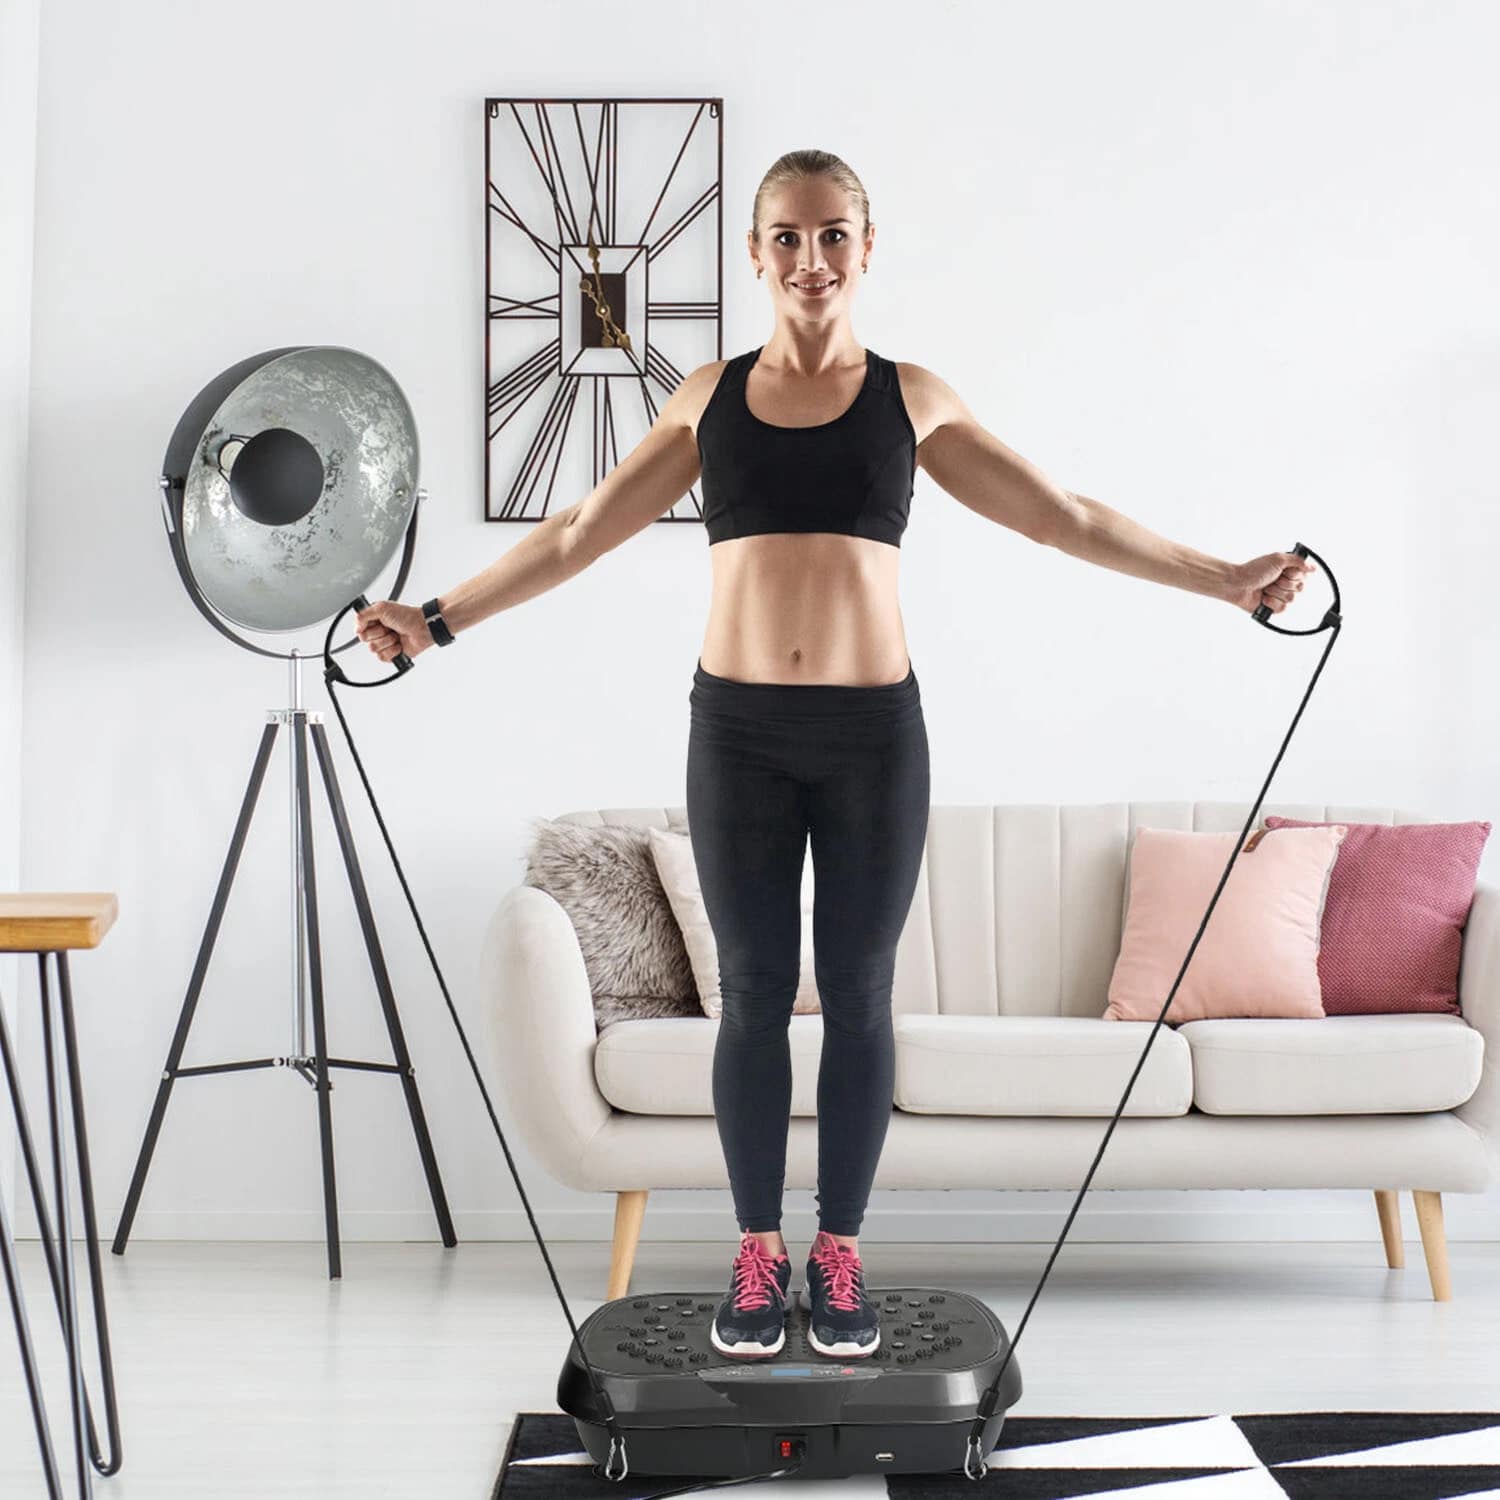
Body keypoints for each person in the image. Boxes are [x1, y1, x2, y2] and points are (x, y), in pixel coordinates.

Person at [355, 147, 1315, 1363]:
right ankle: (759, 1257)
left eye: (833, 236)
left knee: (860, 996)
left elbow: (1062, 517)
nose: (811, 260)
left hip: (873, 738)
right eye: (788, 238)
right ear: (756, 255)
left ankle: (841, 1255)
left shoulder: (914, 399)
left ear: (867, 248)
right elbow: (581, 530)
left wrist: (1226, 578)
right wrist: (437, 620)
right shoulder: (707, 398)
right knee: (754, 997)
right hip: (738, 735)